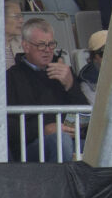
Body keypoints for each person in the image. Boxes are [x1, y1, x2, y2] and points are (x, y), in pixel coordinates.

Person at [5, 17, 87, 162]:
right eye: (41, 45)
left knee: (111, 145)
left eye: (51, 44)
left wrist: (70, 85)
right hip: (30, 147)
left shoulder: (64, 72)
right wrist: (43, 130)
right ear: (26, 46)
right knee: (60, 141)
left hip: (71, 140)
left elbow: (84, 116)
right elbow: (7, 126)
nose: (48, 50)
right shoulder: (12, 77)